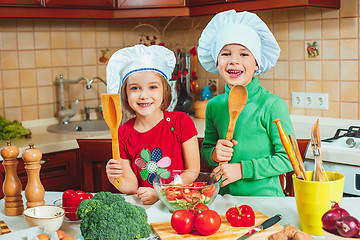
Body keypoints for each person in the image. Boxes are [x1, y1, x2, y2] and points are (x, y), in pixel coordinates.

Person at [198, 10, 294, 197]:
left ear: (257, 62)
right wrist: (214, 154)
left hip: (266, 201)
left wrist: (243, 169)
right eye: (225, 54)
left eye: (244, 54)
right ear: (216, 61)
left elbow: (288, 160)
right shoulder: (214, 105)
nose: (234, 61)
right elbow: (206, 152)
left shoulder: (272, 105)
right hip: (224, 200)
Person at [105, 44, 200, 205]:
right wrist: (116, 178)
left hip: (177, 204)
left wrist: (162, 192)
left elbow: (192, 171)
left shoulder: (181, 122)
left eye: (153, 87)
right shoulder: (122, 132)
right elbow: (132, 184)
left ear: (165, 91)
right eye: (135, 88)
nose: (144, 95)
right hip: (144, 207)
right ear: (126, 95)